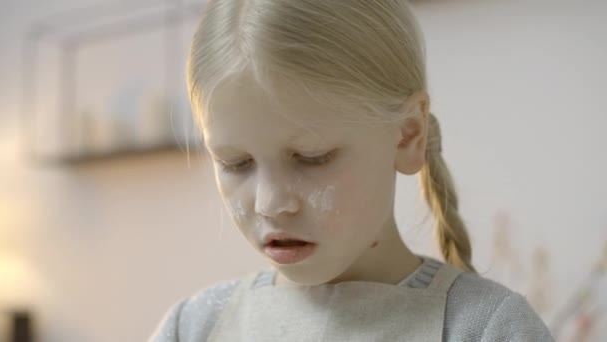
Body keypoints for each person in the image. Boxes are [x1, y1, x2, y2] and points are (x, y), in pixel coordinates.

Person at [149, 0, 554, 340]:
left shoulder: (490, 329)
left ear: (407, 136)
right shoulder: (193, 329)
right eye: (235, 163)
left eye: (311, 156)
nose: (271, 204)